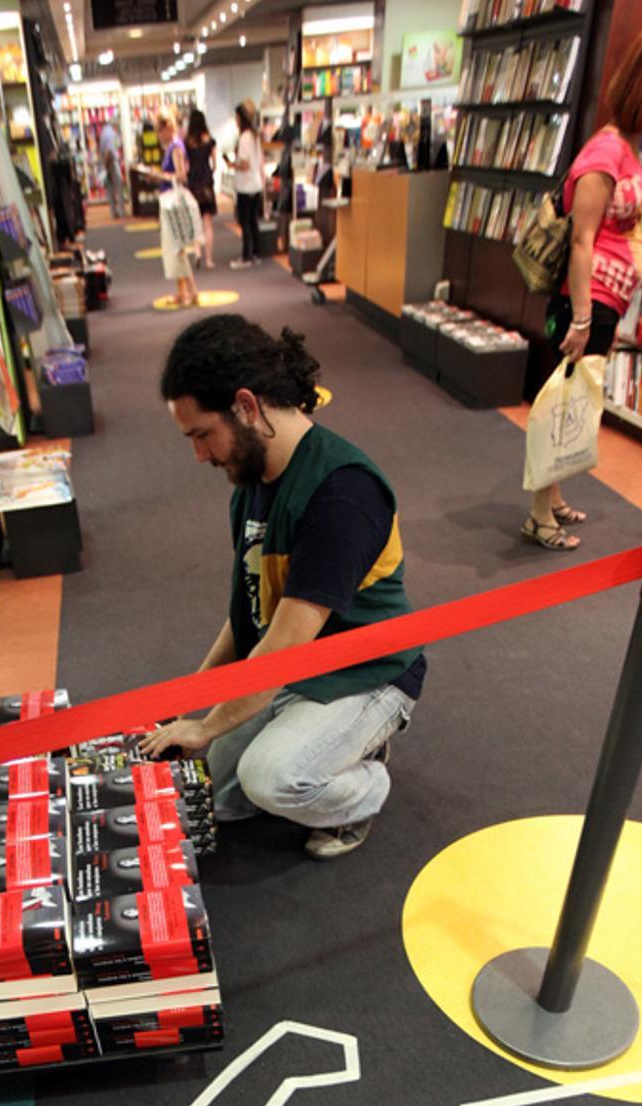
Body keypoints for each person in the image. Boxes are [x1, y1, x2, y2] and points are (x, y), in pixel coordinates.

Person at [145, 316, 426, 861]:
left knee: (271, 780)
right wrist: (191, 703)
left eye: (202, 433)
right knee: (216, 795)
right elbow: (248, 615)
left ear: (247, 406)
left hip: (367, 674)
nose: (199, 455)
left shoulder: (343, 492)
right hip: (295, 663)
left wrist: (208, 726)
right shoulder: (252, 483)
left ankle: (367, 787)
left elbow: (287, 641)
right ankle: (314, 743)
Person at [523, 18, 642, 550]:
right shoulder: (604, 155)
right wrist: (580, 319)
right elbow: (582, 242)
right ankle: (537, 515)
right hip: (587, 301)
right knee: (562, 403)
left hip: (601, 304)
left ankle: (550, 499)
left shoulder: (623, 147)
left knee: (576, 400)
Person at [143, 112, 197, 309]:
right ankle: (183, 291)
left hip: (173, 201)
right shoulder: (172, 148)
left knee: (177, 246)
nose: (158, 135)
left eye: (159, 130)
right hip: (169, 200)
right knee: (175, 246)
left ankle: (191, 291)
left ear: (167, 128)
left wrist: (160, 176)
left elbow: (181, 176)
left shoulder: (175, 148)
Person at [228, 100, 264, 270]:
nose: (235, 120)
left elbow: (245, 164)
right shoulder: (255, 136)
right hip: (256, 184)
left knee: (245, 221)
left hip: (246, 185)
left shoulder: (244, 138)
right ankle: (255, 253)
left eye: (236, 117)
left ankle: (246, 256)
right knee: (252, 220)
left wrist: (232, 165)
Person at [184, 108, 218, 271]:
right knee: (207, 223)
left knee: (194, 222)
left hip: (193, 184)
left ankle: (197, 252)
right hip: (206, 183)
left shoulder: (187, 142)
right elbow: (215, 164)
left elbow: (185, 165)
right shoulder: (209, 140)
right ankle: (209, 259)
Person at [99, 117, 126, 219]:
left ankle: (113, 211)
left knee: (109, 187)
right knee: (118, 186)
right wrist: (106, 164)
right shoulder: (111, 134)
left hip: (107, 161)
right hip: (111, 161)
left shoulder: (105, 131)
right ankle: (121, 210)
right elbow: (110, 151)